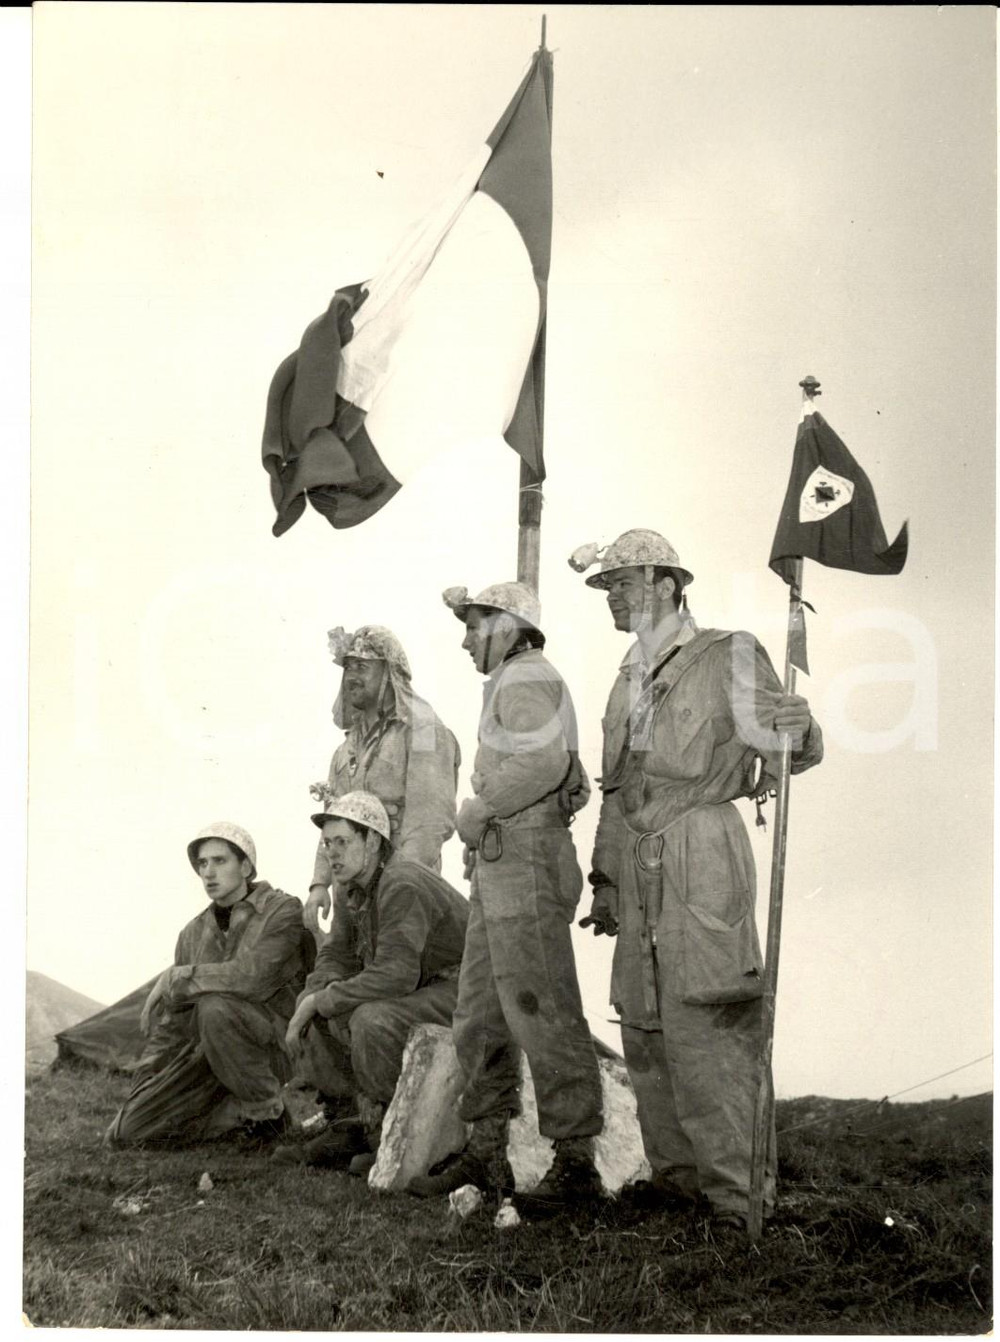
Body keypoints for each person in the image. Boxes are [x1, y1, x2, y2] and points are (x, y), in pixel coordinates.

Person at [570, 528, 824, 1229]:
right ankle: (678, 1185)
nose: (611, 597)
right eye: (608, 586)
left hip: (702, 851)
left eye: (620, 583)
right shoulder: (625, 681)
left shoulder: (726, 655)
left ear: (663, 583)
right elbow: (618, 793)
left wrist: (799, 730)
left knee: (709, 1022)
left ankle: (739, 1200)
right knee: (645, 1029)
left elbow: (788, 747)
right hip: (637, 860)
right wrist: (606, 881)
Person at [406, 582, 604, 1210]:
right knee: (480, 1012)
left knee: (541, 1009)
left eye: (473, 627)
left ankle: (576, 1165)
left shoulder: (524, 679)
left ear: (506, 625)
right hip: (504, 863)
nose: (465, 641)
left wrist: (480, 809)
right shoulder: (514, 681)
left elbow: (541, 766)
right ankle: (487, 1151)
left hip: (525, 860)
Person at [275, 791, 469, 1175]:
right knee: (317, 1002)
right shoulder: (350, 886)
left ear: (374, 842)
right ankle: (349, 1123)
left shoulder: (402, 881)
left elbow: (397, 974)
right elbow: (337, 954)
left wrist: (322, 1000)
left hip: (466, 987)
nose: (332, 853)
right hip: (424, 987)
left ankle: (389, 1135)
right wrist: (312, 994)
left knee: (370, 1019)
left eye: (343, 841)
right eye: (327, 843)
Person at [106, 823, 311, 1148]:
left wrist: (178, 976)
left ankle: (269, 1115)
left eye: (220, 861)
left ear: (245, 867)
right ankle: (235, 1116)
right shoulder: (192, 933)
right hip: (209, 1054)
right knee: (126, 1133)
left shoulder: (282, 910)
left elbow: (252, 977)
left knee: (215, 1007)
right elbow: (173, 1023)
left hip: (271, 1048)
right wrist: (145, 1079)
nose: (208, 873)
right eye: (202, 864)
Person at [302, 625, 460, 936]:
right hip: (349, 887)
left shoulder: (424, 732)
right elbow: (333, 824)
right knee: (344, 971)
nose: (351, 676)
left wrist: (399, 884)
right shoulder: (344, 749)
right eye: (347, 667)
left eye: (362, 666)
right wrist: (319, 883)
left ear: (388, 672)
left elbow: (430, 820)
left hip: (399, 884)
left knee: (396, 970)